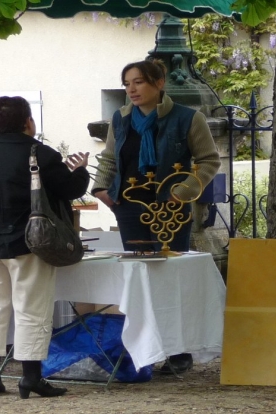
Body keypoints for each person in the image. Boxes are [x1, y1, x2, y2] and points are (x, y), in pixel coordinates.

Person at [91, 59, 220, 375]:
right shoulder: (120, 120)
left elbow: (208, 161)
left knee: (168, 277)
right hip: (130, 208)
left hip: (170, 208)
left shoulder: (188, 118)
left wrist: (184, 191)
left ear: (159, 83)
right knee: (139, 278)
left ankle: (178, 351)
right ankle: (145, 348)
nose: (131, 89)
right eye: (126, 84)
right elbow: (109, 159)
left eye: (138, 82)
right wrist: (101, 190)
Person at [0, 96, 90, 398]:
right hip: (27, 241)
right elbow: (70, 190)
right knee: (31, 308)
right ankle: (31, 378)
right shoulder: (42, 154)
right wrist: (82, 170)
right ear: (27, 122)